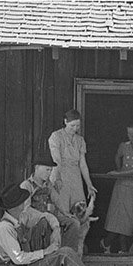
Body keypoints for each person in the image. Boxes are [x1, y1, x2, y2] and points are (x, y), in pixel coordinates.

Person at [0, 183, 109, 266]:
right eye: (21, 202)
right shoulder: (4, 228)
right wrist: (46, 252)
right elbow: (19, 259)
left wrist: (55, 229)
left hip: (24, 264)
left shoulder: (18, 218)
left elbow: (44, 217)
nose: (23, 204)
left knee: (61, 244)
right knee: (64, 254)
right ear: (15, 207)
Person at [48, 109, 96, 254]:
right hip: (60, 173)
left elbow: (83, 164)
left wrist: (89, 184)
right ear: (65, 122)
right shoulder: (56, 136)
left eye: (77, 126)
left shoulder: (80, 140)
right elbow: (56, 159)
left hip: (75, 177)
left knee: (80, 212)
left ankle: (77, 252)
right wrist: (57, 178)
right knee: (62, 212)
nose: (75, 129)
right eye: (72, 126)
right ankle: (60, 252)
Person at [20, 153, 83, 252]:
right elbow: (26, 209)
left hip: (48, 217)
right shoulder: (26, 185)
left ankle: (67, 253)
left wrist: (65, 212)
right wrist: (45, 216)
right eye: (47, 170)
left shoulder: (47, 184)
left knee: (74, 223)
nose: (49, 173)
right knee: (44, 223)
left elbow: (56, 199)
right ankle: (46, 255)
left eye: (50, 170)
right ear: (37, 168)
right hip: (33, 221)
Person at [102, 124, 133, 255]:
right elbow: (117, 156)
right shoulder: (123, 145)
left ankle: (108, 243)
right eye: (129, 133)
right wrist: (119, 169)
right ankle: (119, 248)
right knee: (117, 216)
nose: (131, 136)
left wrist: (118, 173)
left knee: (128, 218)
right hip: (121, 185)